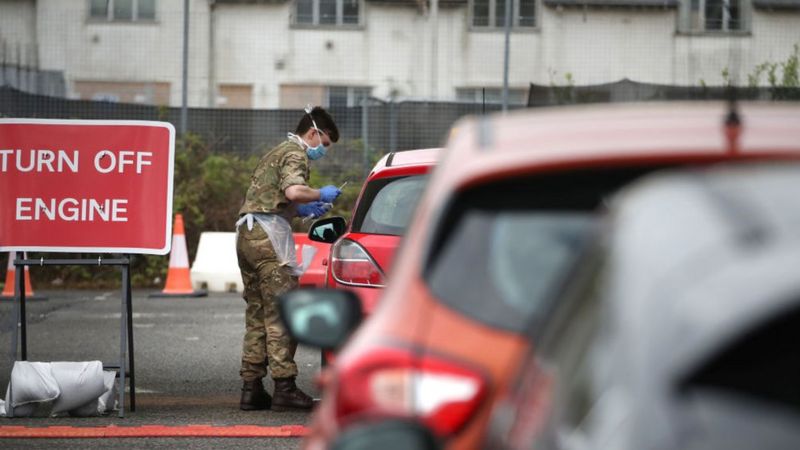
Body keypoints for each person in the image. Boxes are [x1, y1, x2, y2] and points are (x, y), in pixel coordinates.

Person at [235, 106, 342, 411]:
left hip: (247, 236)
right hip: (268, 240)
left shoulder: (276, 152)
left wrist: (303, 212)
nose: (323, 151)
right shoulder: (295, 153)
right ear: (314, 133)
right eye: (325, 144)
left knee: (257, 313)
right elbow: (294, 190)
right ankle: (285, 387)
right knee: (282, 312)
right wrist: (320, 193)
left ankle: (251, 387)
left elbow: (275, 200)